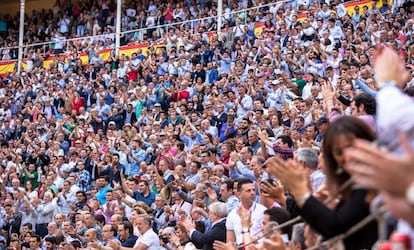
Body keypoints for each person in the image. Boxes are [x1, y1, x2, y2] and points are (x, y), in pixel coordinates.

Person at [265, 116, 378, 249]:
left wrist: (301, 192)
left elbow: (335, 226)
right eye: (338, 152)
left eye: (350, 147)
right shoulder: (350, 183)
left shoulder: (371, 180)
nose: (346, 156)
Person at [226, 178, 266, 245]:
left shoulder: (263, 211)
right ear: (239, 194)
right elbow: (230, 242)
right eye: (248, 191)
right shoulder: (232, 215)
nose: (252, 193)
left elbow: (269, 236)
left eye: (253, 190)